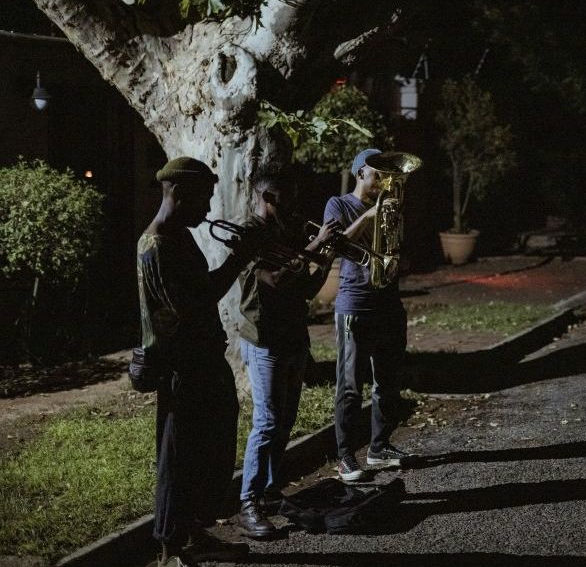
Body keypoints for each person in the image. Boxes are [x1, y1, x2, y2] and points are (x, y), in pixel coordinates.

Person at [138, 157, 258, 567]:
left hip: (203, 359)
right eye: (203, 199)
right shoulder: (156, 244)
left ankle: (194, 534)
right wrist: (239, 260)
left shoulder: (178, 237)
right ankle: (171, 549)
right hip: (184, 367)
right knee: (178, 458)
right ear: (181, 194)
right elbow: (193, 302)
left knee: (206, 454)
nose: (208, 210)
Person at [234, 164, 343, 538]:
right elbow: (272, 282)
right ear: (267, 198)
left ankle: (268, 490)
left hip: (293, 337)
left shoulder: (287, 232)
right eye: (287, 196)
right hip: (264, 340)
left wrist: (326, 259)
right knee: (265, 422)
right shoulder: (249, 234)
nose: (295, 202)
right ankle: (247, 503)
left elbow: (304, 291)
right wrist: (313, 247)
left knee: (284, 422)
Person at [324, 148, 415, 482]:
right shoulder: (339, 205)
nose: (385, 181)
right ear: (360, 172)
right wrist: (369, 216)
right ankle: (345, 456)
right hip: (356, 304)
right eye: (378, 174)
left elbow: (399, 253)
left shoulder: (392, 207)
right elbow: (332, 245)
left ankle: (379, 448)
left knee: (387, 383)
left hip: (389, 303)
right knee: (350, 387)